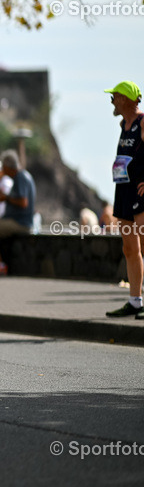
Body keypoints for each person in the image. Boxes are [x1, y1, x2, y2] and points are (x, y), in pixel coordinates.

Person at [101, 81, 144, 317]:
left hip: (140, 192)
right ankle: (135, 301)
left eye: (114, 97)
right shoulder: (123, 125)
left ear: (124, 99)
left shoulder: (142, 122)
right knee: (129, 248)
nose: (111, 102)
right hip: (123, 190)